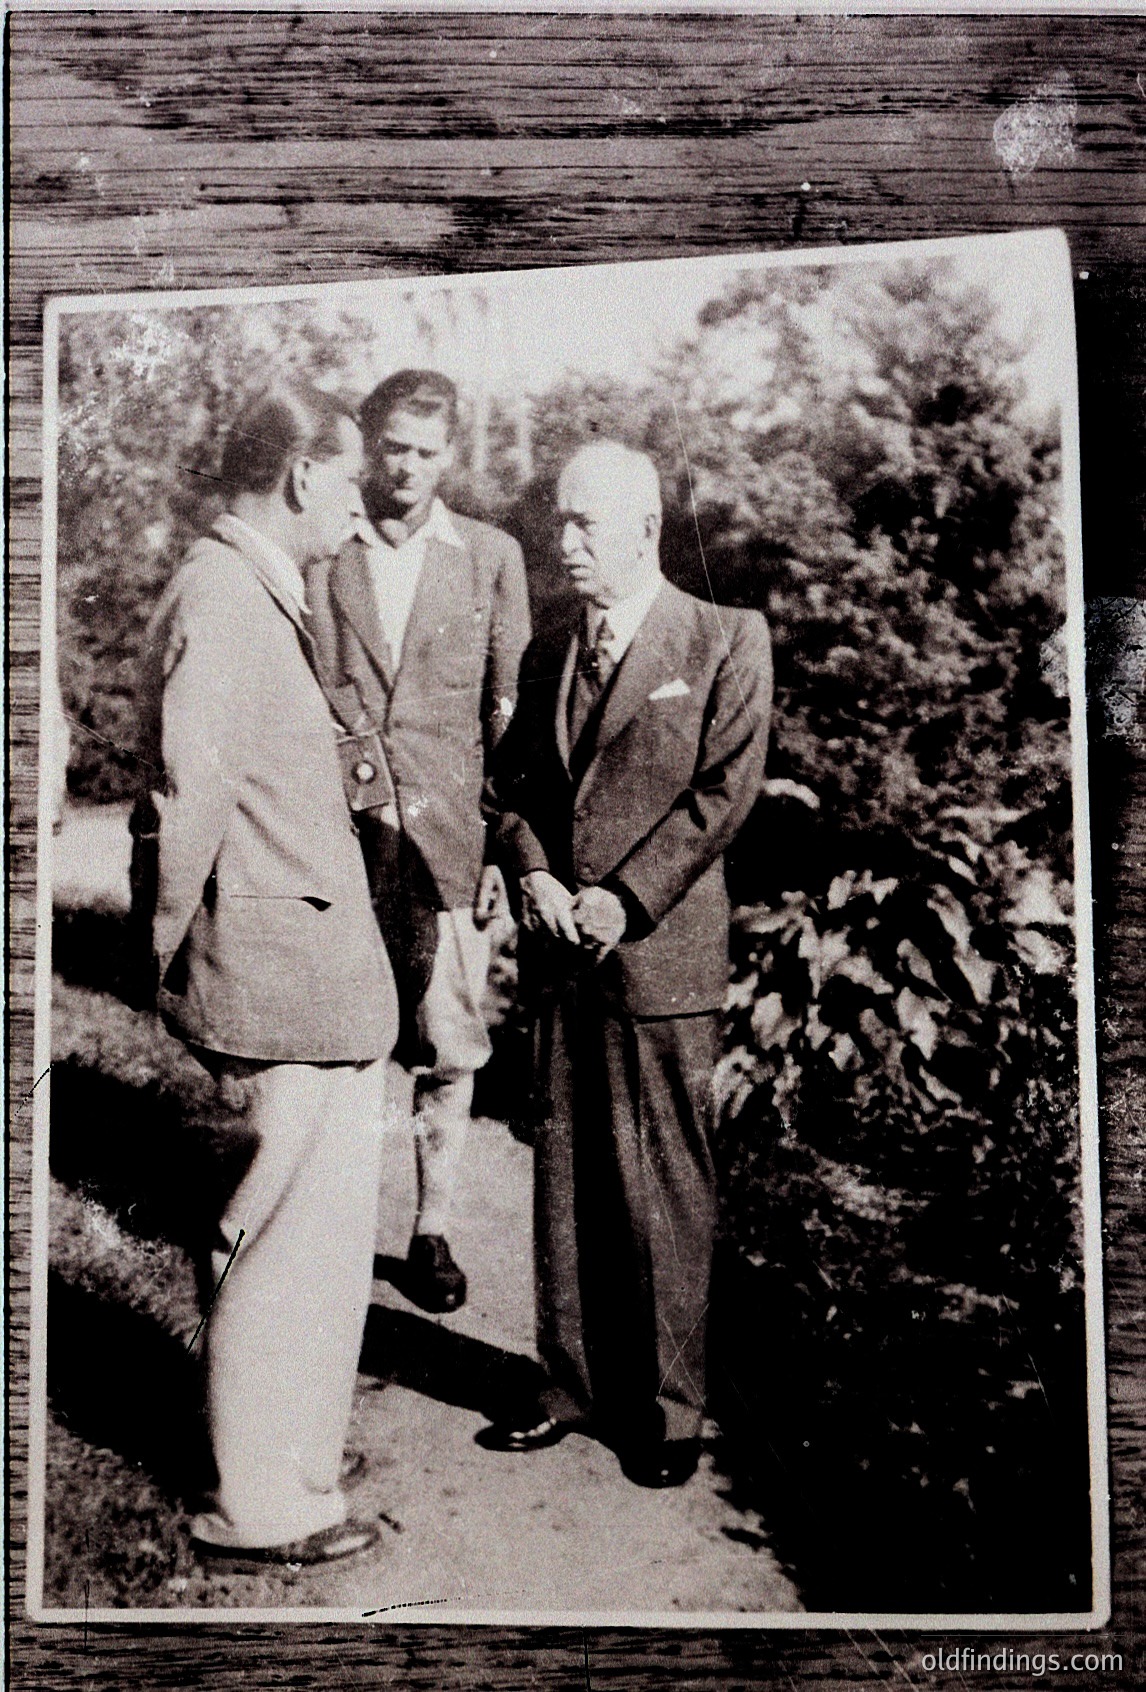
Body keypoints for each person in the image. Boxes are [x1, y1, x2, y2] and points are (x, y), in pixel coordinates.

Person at [134, 384, 399, 1567]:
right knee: (276, 1244)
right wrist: (167, 967)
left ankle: (293, 1463)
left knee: (320, 1245)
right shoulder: (224, 594)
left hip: (317, 986)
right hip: (275, 984)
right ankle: (257, 1509)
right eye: (348, 482)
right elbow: (183, 803)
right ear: (301, 477)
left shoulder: (252, 589)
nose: (361, 505)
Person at [478, 440, 772, 1488]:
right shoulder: (546, 649)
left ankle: (670, 1407)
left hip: (660, 958)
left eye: (584, 525)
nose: (562, 543)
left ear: (646, 528)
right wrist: (533, 877)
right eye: (557, 521)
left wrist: (621, 896)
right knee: (563, 1178)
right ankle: (568, 1381)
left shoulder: (726, 638)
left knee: (666, 1188)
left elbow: (721, 795)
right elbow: (506, 792)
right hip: (564, 956)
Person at [308, 370, 530, 1313]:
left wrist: (501, 852)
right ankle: (332, 1225)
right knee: (347, 1040)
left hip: (449, 848)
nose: (406, 467)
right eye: (393, 445)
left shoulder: (488, 557)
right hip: (339, 841)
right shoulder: (324, 550)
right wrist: (369, 797)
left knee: (449, 1044)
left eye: (426, 451)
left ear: (451, 456)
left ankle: (431, 1225)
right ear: (369, 441)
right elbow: (313, 690)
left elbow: (509, 722)